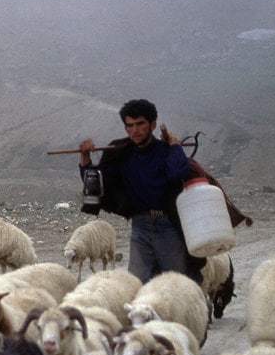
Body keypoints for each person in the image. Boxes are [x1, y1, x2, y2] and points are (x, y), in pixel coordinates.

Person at [77, 98, 204, 284]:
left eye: (140, 124)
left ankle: (201, 311)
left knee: (177, 286)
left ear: (152, 124)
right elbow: (96, 185)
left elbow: (178, 173)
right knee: (137, 285)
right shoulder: (122, 153)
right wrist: (85, 157)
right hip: (140, 226)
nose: (134, 130)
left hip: (168, 225)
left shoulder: (165, 150)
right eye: (129, 125)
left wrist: (175, 146)